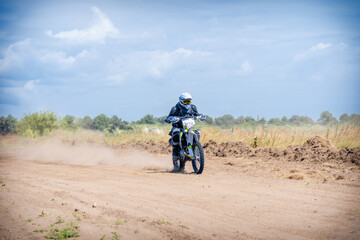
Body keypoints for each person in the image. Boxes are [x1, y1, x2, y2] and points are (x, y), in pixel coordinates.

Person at [165, 92, 205, 171]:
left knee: (197, 133)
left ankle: (195, 147)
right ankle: (175, 154)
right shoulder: (175, 108)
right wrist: (172, 119)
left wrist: (201, 116)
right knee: (176, 134)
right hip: (178, 126)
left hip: (189, 127)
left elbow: (196, 114)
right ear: (181, 101)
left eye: (188, 101)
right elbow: (168, 117)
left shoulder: (192, 107)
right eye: (185, 101)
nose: (187, 103)